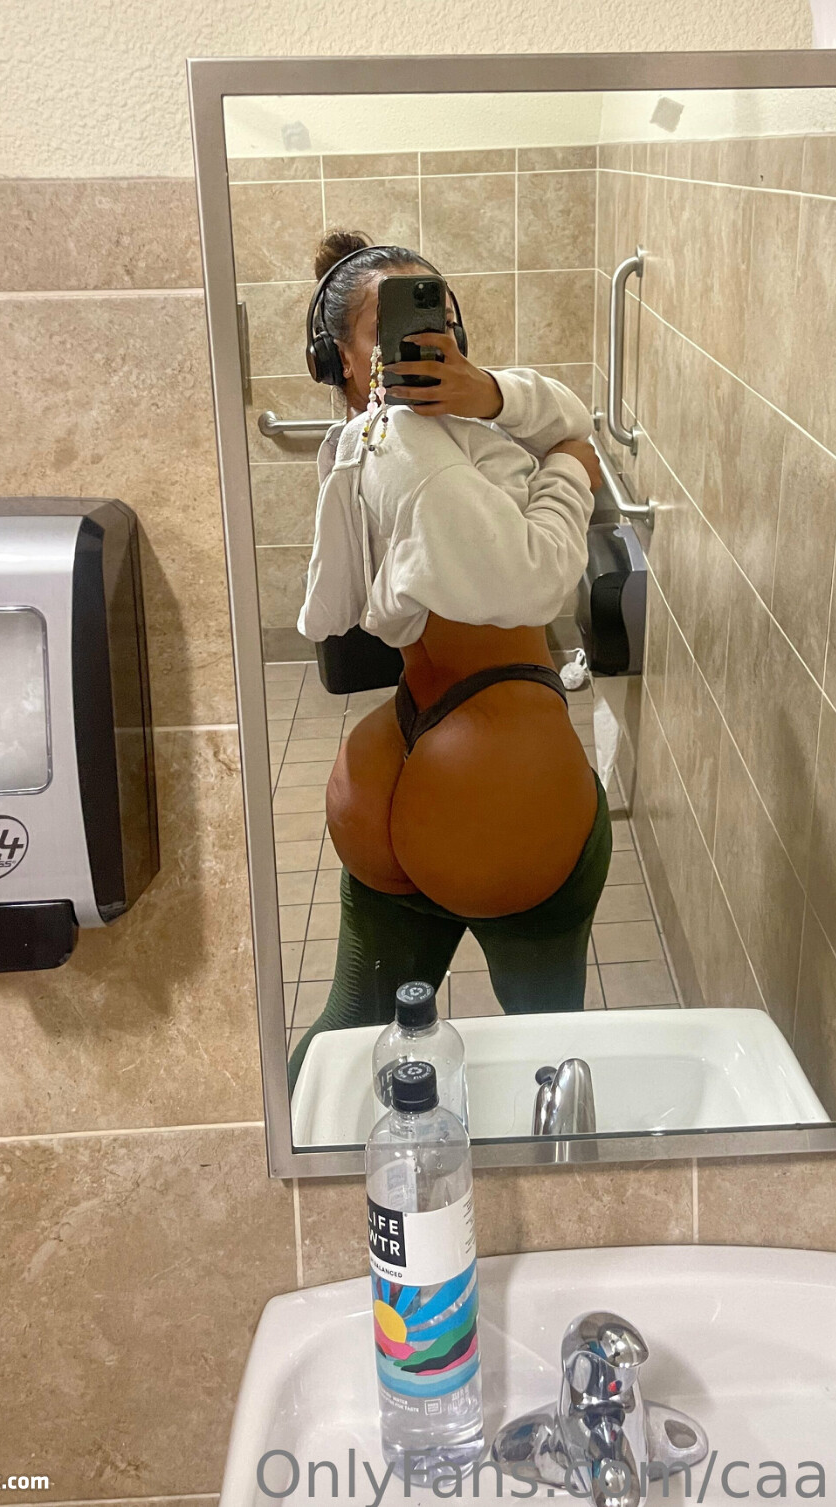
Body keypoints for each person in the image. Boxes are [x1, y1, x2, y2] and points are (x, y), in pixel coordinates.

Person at [288, 229, 611, 1083]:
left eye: (439, 320)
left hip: (395, 757)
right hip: (499, 780)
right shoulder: (415, 448)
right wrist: (571, 474)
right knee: (549, 1053)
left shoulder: (376, 437)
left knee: (352, 1037)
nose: (428, 341)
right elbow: (530, 581)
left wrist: (488, 391)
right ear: (344, 359)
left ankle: (286, 1153)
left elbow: (567, 409)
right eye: (393, 328)